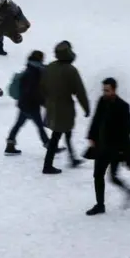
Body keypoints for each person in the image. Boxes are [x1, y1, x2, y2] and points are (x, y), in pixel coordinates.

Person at [85, 78, 130, 216]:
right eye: (103, 90)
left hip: (115, 149)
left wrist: (121, 149)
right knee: (98, 175)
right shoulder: (101, 101)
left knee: (113, 177)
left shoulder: (123, 106)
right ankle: (100, 205)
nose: (104, 92)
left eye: (107, 90)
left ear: (114, 89)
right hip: (101, 146)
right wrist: (91, 137)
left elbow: (127, 130)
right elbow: (96, 120)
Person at [42, 41, 90, 175]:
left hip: (52, 107)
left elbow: (42, 87)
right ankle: (47, 165)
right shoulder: (71, 70)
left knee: (66, 132)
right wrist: (86, 108)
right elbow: (80, 91)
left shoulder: (50, 67)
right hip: (64, 109)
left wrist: (47, 101)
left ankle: (72, 158)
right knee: (56, 136)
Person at [5, 50, 65, 155]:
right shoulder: (34, 72)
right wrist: (43, 102)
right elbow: (33, 91)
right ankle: (50, 146)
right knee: (39, 126)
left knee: (19, 124)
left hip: (24, 104)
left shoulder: (31, 69)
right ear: (39, 59)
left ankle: (10, 145)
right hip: (31, 105)